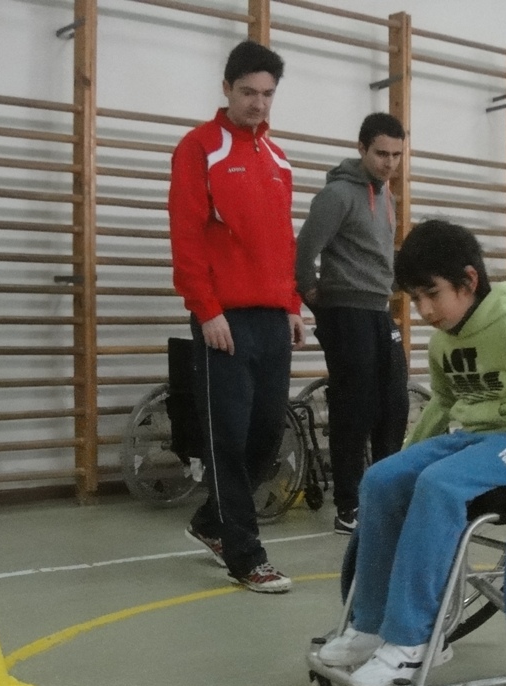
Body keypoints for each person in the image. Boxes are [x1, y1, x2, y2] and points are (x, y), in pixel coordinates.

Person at [317, 219, 506, 686]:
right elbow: (445, 403)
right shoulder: (442, 339)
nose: (425, 310)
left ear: (469, 282)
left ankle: (413, 641)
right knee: (381, 480)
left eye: (432, 294)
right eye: (415, 300)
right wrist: (406, 461)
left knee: (439, 484)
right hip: (472, 438)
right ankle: (370, 627)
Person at [168, 40, 305, 594]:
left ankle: (209, 522)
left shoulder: (278, 159)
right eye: (248, 92)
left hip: (273, 320)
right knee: (227, 438)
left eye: (267, 94)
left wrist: (292, 304)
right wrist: (206, 310)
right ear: (226, 89)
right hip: (223, 320)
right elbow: (187, 236)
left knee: (266, 437)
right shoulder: (198, 148)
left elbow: (281, 242)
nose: (258, 103)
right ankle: (247, 557)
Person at [295, 112, 410, 535]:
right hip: (345, 312)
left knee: (394, 405)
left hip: (379, 310)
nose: (389, 163)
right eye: (381, 153)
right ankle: (349, 505)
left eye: (397, 155)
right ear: (361, 149)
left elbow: (380, 257)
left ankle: (381, 496)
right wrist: (316, 300)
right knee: (354, 409)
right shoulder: (338, 195)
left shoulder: (388, 196)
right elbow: (305, 249)